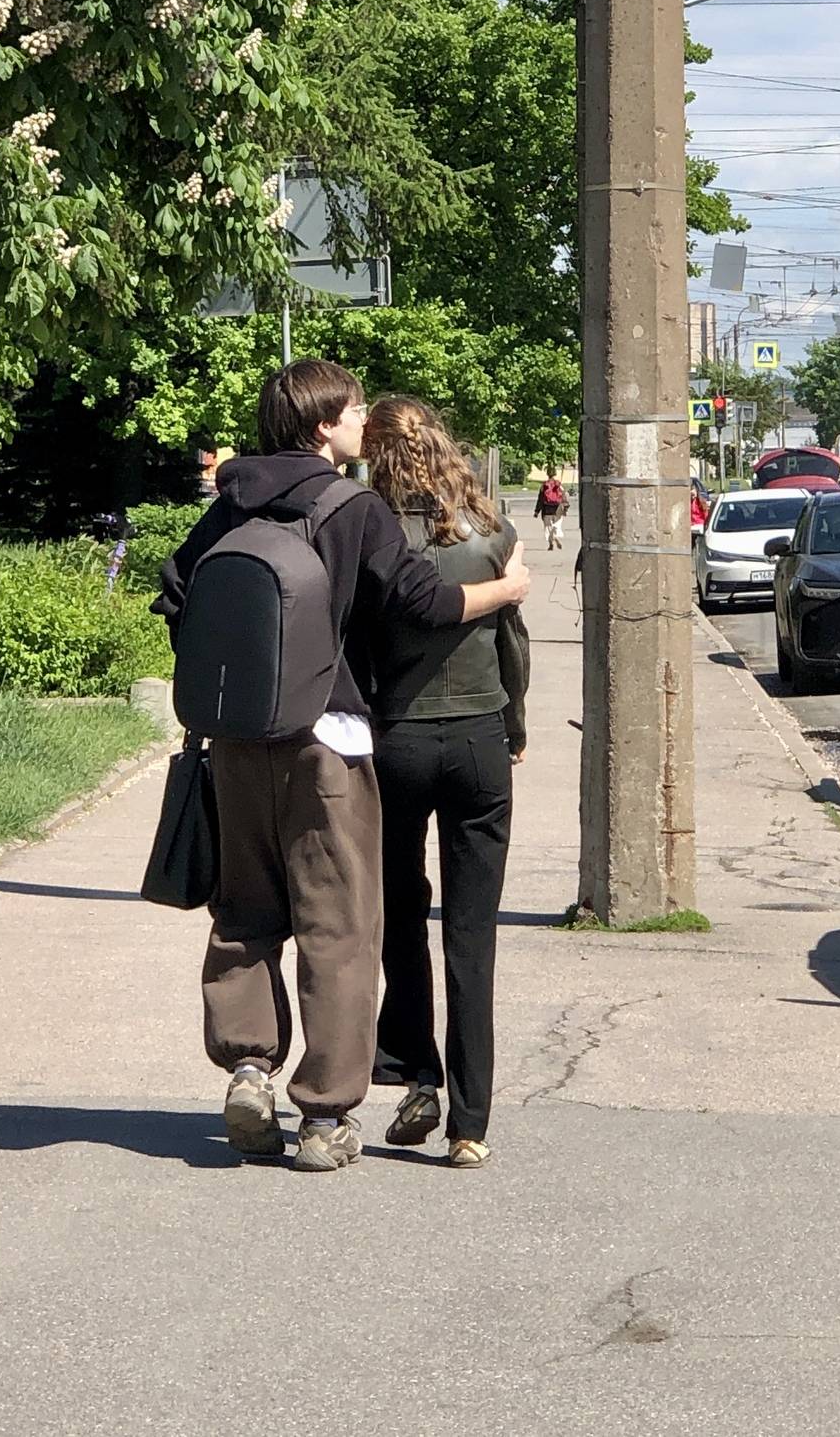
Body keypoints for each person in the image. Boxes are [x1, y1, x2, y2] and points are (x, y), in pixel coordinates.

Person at [151, 360, 530, 1172]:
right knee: (338, 923)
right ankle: (324, 1114)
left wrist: (236, 687)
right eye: (354, 410)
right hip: (328, 740)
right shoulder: (352, 508)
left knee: (245, 912)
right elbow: (424, 603)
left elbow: (177, 595)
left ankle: (249, 1067)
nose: (363, 420)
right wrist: (506, 590)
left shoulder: (232, 502)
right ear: (323, 426)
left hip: (238, 743)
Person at [364, 397, 530, 1169]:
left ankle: (416, 1079)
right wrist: (514, 725)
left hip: (394, 740)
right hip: (478, 739)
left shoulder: (370, 534)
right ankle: (471, 1124)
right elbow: (511, 644)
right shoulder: (493, 532)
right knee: (472, 934)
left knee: (400, 916)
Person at [535, 467, 569, 549]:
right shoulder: (559, 485)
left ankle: (551, 543)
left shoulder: (544, 485)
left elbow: (540, 499)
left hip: (546, 509)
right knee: (556, 526)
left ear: (547, 474)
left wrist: (537, 511)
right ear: (555, 474)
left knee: (548, 527)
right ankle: (555, 537)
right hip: (558, 509)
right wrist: (565, 508)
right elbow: (565, 497)